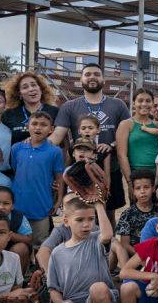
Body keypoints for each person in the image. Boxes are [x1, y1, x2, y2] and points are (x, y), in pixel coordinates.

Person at [41, 197, 119, 303]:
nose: (86, 224)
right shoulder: (57, 253)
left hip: (99, 298)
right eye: (79, 220)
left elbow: (107, 235)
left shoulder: (96, 240)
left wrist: (98, 204)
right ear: (66, 221)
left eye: (91, 219)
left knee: (97, 288)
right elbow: (53, 288)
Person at [51, 64, 131, 223]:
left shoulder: (118, 105)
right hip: (80, 170)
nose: (92, 77)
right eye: (87, 74)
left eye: (96, 74)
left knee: (108, 213)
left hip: (110, 167)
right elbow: (57, 136)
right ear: (81, 79)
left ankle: (107, 246)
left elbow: (129, 133)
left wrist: (112, 145)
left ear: (103, 79)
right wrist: (33, 142)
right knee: (80, 213)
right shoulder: (69, 106)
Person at [11, 111, 64, 246]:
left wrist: (58, 201)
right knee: (20, 244)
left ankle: (40, 267)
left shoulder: (55, 151)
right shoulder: (17, 148)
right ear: (27, 127)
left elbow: (59, 178)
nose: (38, 128)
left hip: (41, 206)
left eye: (43, 125)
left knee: (40, 244)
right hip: (18, 207)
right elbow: (16, 170)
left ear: (51, 129)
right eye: (34, 124)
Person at [117, 88, 158, 199]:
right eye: (140, 101)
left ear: (152, 103)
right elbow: (122, 156)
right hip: (137, 177)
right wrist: (130, 182)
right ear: (134, 103)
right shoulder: (126, 124)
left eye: (148, 101)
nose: (144, 104)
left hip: (157, 176)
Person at [114, 169, 158, 270]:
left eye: (146, 187)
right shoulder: (127, 214)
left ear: (153, 188)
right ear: (133, 191)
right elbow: (125, 244)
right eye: (138, 188)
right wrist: (142, 257)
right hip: (135, 259)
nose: (142, 191)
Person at [0, 71, 60, 145]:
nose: (31, 89)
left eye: (34, 85)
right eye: (25, 87)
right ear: (19, 94)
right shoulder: (8, 114)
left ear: (41, 89)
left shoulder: (55, 112)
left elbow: (63, 142)